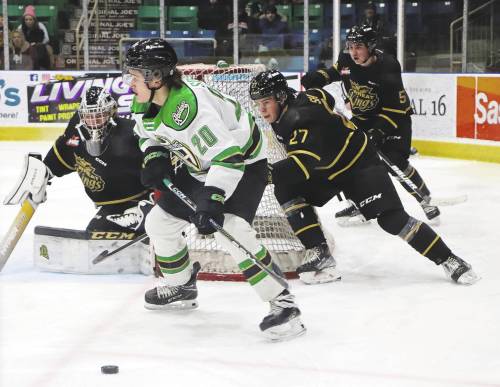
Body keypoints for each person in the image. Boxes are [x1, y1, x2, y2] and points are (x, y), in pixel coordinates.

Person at [122, 38, 305, 341]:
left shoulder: (190, 110)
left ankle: (284, 304)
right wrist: (154, 155)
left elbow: (229, 158)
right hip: (202, 165)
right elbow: (147, 134)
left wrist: (212, 197)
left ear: (156, 77)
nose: (130, 82)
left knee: (231, 228)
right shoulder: (145, 100)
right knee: (159, 222)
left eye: (135, 75)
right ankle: (182, 286)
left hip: (244, 164)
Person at [250, 69, 480, 286]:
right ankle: (319, 251)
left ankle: (449, 259)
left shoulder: (298, 119)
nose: (262, 110)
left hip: (359, 167)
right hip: (327, 167)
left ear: (281, 97)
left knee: (392, 220)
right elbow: (325, 97)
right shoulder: (308, 97)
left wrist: (255, 175)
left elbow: (301, 166)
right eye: (258, 104)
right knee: (285, 188)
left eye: (266, 102)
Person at [300, 25, 439, 225]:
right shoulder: (347, 59)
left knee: (394, 160)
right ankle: (359, 203)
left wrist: (377, 132)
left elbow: (394, 109)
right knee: (346, 157)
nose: (353, 52)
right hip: (364, 119)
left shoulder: (388, 66)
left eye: (358, 47)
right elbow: (333, 72)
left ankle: (424, 198)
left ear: (371, 46)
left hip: (394, 119)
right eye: (350, 46)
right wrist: (316, 78)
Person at [42, 86, 153, 233]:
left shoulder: (131, 133)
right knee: (95, 234)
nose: (94, 121)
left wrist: (153, 203)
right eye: (89, 116)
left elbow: (159, 168)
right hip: (112, 207)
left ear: (111, 112)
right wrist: (42, 172)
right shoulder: (76, 131)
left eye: (99, 115)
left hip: (140, 202)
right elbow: (62, 156)